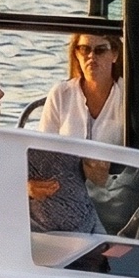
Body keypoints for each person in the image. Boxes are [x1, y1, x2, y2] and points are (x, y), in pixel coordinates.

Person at [30, 32, 124, 232]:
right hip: (65, 195)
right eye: (84, 49)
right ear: (76, 54)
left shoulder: (129, 98)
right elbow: (43, 153)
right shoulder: (60, 94)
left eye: (100, 50)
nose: (91, 57)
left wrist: (105, 177)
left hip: (114, 196)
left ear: (115, 54)